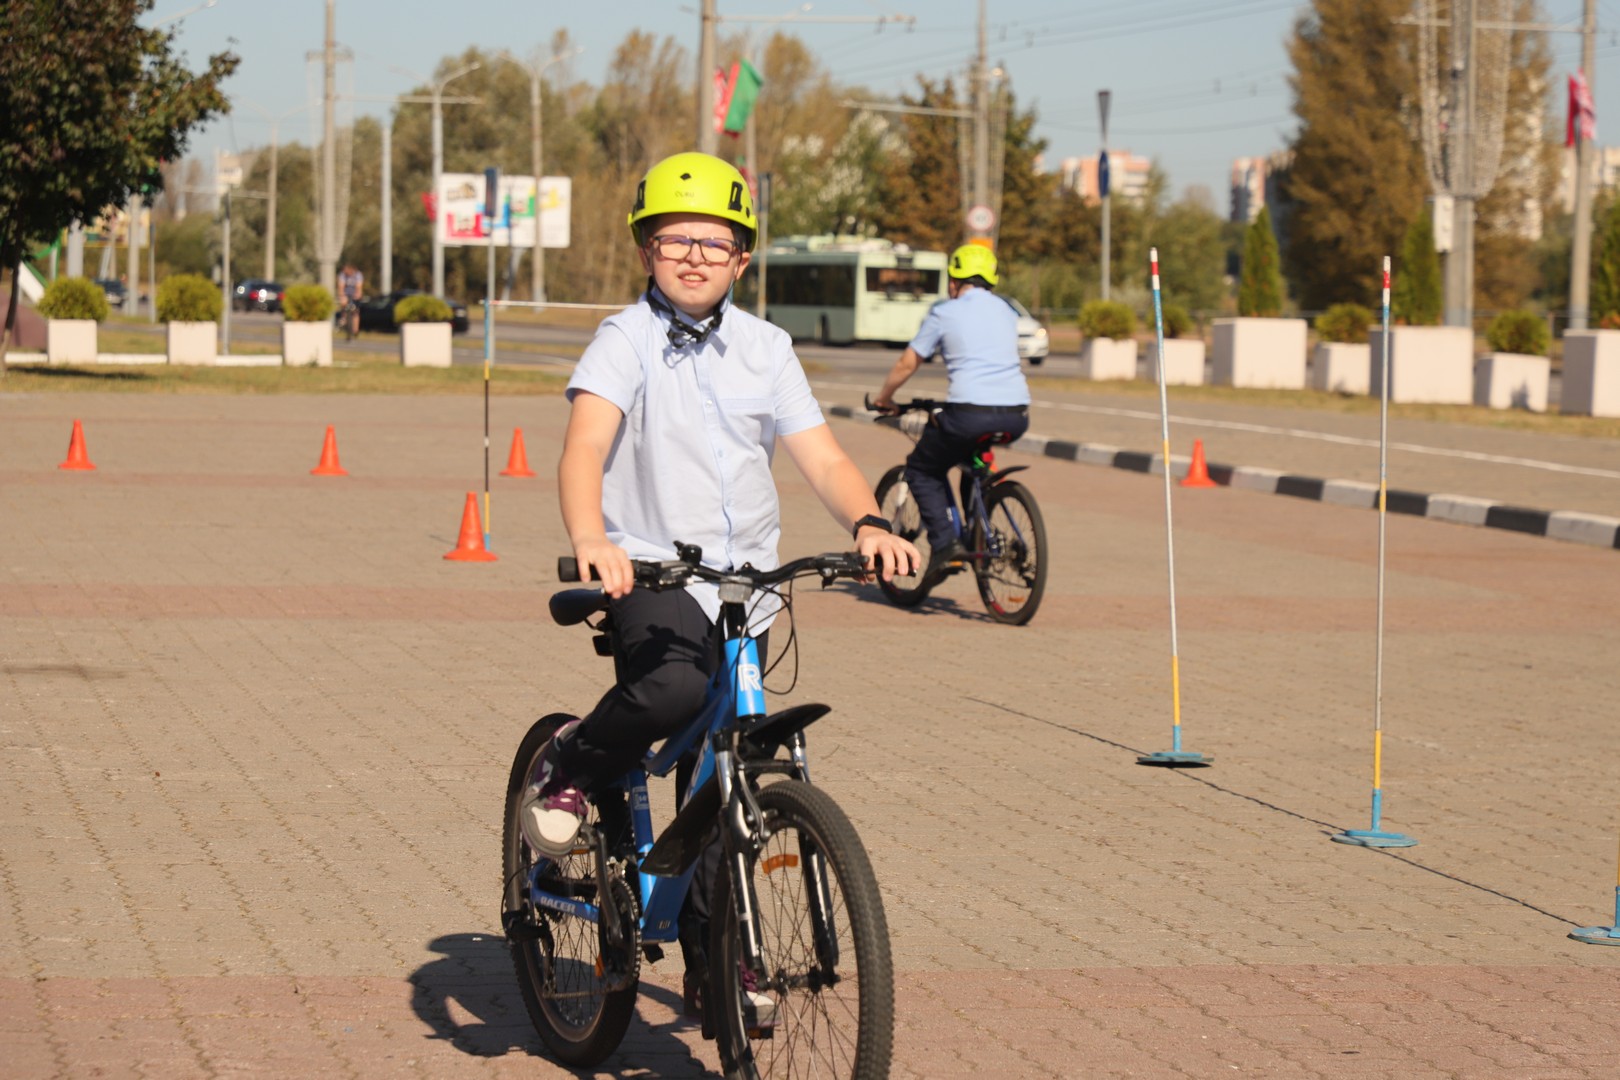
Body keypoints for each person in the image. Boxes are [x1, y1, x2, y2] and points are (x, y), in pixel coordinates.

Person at [520, 150, 918, 1016]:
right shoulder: (624, 339)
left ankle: (717, 961)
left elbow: (822, 457)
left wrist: (869, 522)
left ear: (742, 258)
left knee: (724, 774)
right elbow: (585, 446)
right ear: (647, 250)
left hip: (749, 587)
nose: (694, 257)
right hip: (653, 570)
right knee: (670, 692)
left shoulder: (768, 349)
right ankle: (571, 764)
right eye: (676, 240)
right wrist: (591, 539)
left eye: (715, 243)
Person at [870, 243, 1031, 582]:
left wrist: (886, 397)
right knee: (970, 459)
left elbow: (908, 362)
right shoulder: (1006, 310)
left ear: (954, 281)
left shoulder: (945, 312)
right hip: (1017, 414)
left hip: (969, 414)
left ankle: (946, 546)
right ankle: (980, 526)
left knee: (921, 468)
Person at [337, 262, 364, 337]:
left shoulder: (358, 274)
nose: (345, 272)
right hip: (346, 294)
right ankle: (344, 319)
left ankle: (355, 330)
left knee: (356, 312)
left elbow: (359, 287)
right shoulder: (342, 275)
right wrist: (342, 295)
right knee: (344, 306)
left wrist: (358, 294)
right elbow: (341, 286)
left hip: (354, 294)